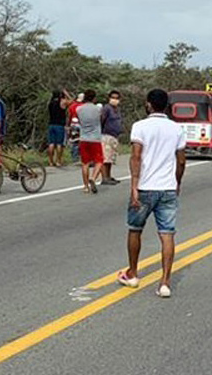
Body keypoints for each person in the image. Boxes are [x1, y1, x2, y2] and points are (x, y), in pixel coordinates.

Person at [118, 89, 187, 297]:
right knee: (167, 234)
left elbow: (136, 157)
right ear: (166, 106)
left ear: (149, 104)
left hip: (145, 187)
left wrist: (134, 186)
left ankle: (133, 273)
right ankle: (165, 282)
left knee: (135, 229)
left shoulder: (140, 126)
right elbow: (181, 160)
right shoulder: (177, 129)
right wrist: (177, 182)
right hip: (167, 187)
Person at [76, 89, 105, 193]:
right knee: (99, 161)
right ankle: (93, 177)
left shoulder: (79, 109)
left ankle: (85, 186)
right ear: (94, 98)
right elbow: (101, 119)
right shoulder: (98, 109)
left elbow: (79, 121)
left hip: (83, 138)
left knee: (85, 163)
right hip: (95, 138)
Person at [99, 90, 123, 185]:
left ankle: (108, 176)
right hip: (106, 135)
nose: (115, 100)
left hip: (114, 136)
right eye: (113, 97)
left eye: (117, 98)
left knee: (110, 158)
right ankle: (104, 177)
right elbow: (102, 120)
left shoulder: (117, 110)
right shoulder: (106, 108)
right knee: (105, 157)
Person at [46, 90, 68, 167]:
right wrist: (66, 94)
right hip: (59, 125)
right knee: (59, 144)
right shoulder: (62, 103)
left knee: (51, 143)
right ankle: (58, 160)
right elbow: (72, 101)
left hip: (51, 124)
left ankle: (50, 161)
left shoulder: (50, 103)